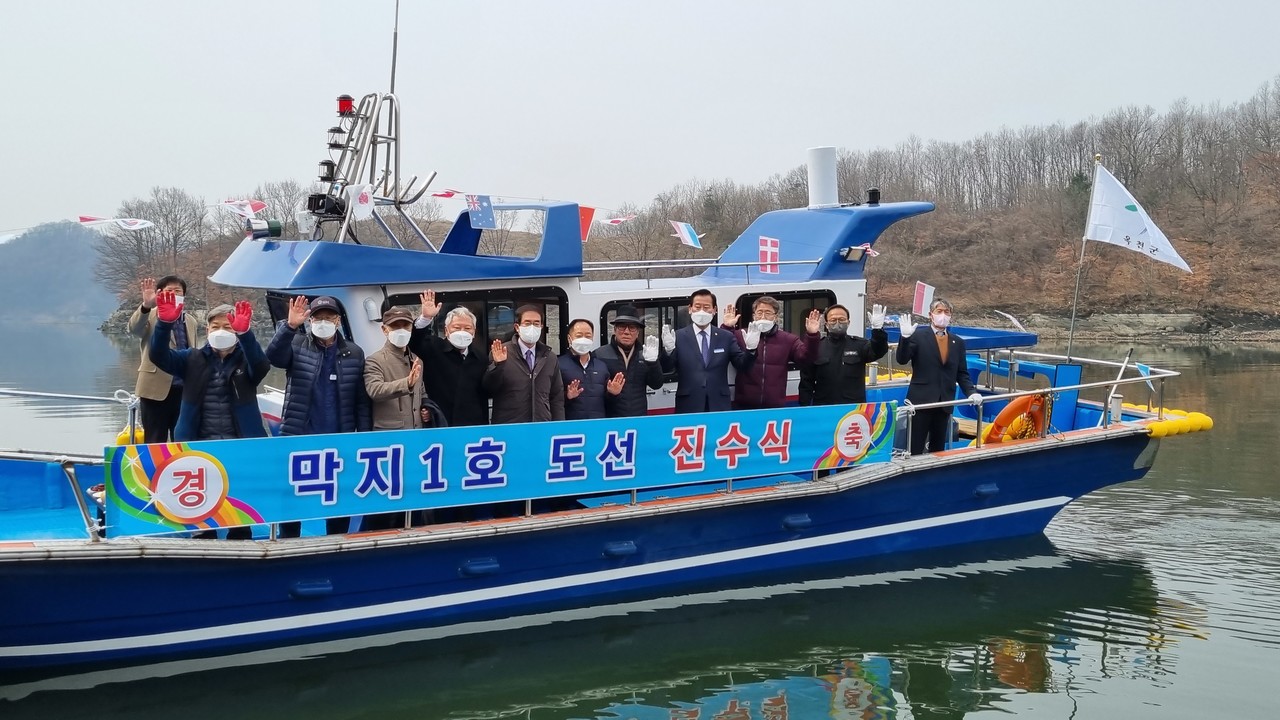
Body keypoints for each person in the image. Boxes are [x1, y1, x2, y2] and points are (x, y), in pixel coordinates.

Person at [147, 292, 268, 539]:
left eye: (228, 326)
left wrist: (246, 334)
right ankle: (205, 538)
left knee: (238, 508)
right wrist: (164, 324)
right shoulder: (191, 358)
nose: (221, 331)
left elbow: (262, 366)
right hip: (199, 444)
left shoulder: (247, 360)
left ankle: (240, 540)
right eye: (216, 326)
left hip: (239, 443)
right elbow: (158, 356)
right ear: (207, 329)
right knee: (201, 506)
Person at [267, 295, 372, 537]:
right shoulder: (296, 344)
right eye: (318, 317)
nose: (323, 322)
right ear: (310, 320)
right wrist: (289, 326)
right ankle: (289, 541)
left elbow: (361, 400)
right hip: (300, 437)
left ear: (338, 321)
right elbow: (273, 357)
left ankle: (337, 541)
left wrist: (364, 437)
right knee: (293, 495)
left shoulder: (354, 353)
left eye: (329, 317)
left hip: (338, 439)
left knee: (338, 495)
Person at [895, 298, 982, 454]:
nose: (943, 315)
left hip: (944, 402)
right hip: (921, 402)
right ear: (931, 315)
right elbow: (902, 359)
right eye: (939, 311)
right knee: (915, 446)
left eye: (946, 312)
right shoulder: (918, 336)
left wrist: (971, 392)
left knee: (938, 448)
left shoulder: (957, 342)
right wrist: (905, 338)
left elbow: (962, 373)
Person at [659, 289, 757, 413]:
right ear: (690, 309)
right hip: (688, 404)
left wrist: (751, 349)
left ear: (714, 310)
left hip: (719, 403)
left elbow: (742, 365)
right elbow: (666, 368)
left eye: (706, 307)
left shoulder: (725, 336)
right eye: (697, 307)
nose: (702, 311)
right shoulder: (677, 336)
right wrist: (668, 351)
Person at [128, 275, 199, 443]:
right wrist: (146, 305)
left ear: (184, 295)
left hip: (184, 389)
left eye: (178, 291)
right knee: (155, 439)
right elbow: (134, 329)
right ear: (160, 294)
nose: (174, 294)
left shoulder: (190, 321)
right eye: (169, 291)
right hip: (154, 388)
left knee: (182, 438)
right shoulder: (151, 316)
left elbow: (193, 350)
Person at [720, 295, 821, 409]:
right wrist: (727, 327)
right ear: (754, 315)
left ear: (776, 317)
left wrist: (812, 335)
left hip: (775, 405)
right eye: (759, 312)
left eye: (768, 313)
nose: (763, 316)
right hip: (744, 404)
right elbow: (722, 349)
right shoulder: (741, 335)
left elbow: (806, 358)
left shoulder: (788, 339)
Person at [410, 290, 490, 426]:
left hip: (472, 425)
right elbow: (414, 343)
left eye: (467, 328)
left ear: (474, 332)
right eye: (457, 327)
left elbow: (483, 396)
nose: (462, 332)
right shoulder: (433, 348)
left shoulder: (480, 358)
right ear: (446, 331)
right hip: (440, 422)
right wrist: (425, 318)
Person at [484, 304, 566, 423]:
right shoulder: (501, 352)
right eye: (527, 323)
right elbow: (489, 388)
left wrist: (558, 426)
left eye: (536, 323)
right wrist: (498, 365)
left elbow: (556, 397)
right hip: (509, 425)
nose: (532, 327)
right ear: (517, 327)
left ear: (541, 326)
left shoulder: (550, 357)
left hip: (542, 424)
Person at [799, 303, 890, 406]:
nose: (837, 323)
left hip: (854, 408)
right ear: (826, 324)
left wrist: (878, 331)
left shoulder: (860, 345)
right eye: (833, 320)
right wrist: (805, 407)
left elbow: (879, 351)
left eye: (842, 319)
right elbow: (806, 381)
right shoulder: (816, 347)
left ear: (848, 322)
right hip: (824, 407)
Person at [595, 305, 664, 418]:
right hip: (610, 419)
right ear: (614, 330)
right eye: (622, 327)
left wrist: (653, 363)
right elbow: (594, 393)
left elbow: (656, 385)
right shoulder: (599, 355)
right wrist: (611, 393)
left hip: (639, 418)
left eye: (632, 328)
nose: (626, 332)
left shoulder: (646, 354)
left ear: (638, 332)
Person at [364, 306, 425, 431]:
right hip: (390, 434)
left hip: (417, 432)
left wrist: (426, 409)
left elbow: (422, 393)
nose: (401, 330)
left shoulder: (416, 360)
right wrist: (407, 383)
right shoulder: (374, 360)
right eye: (395, 326)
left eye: (406, 326)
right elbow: (375, 390)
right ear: (384, 329)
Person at [557, 318, 624, 420]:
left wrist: (613, 394)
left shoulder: (601, 366)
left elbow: (609, 404)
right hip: (570, 424)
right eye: (579, 336)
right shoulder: (559, 364)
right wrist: (567, 396)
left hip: (597, 424)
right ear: (569, 338)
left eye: (588, 336)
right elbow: (552, 399)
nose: (583, 339)